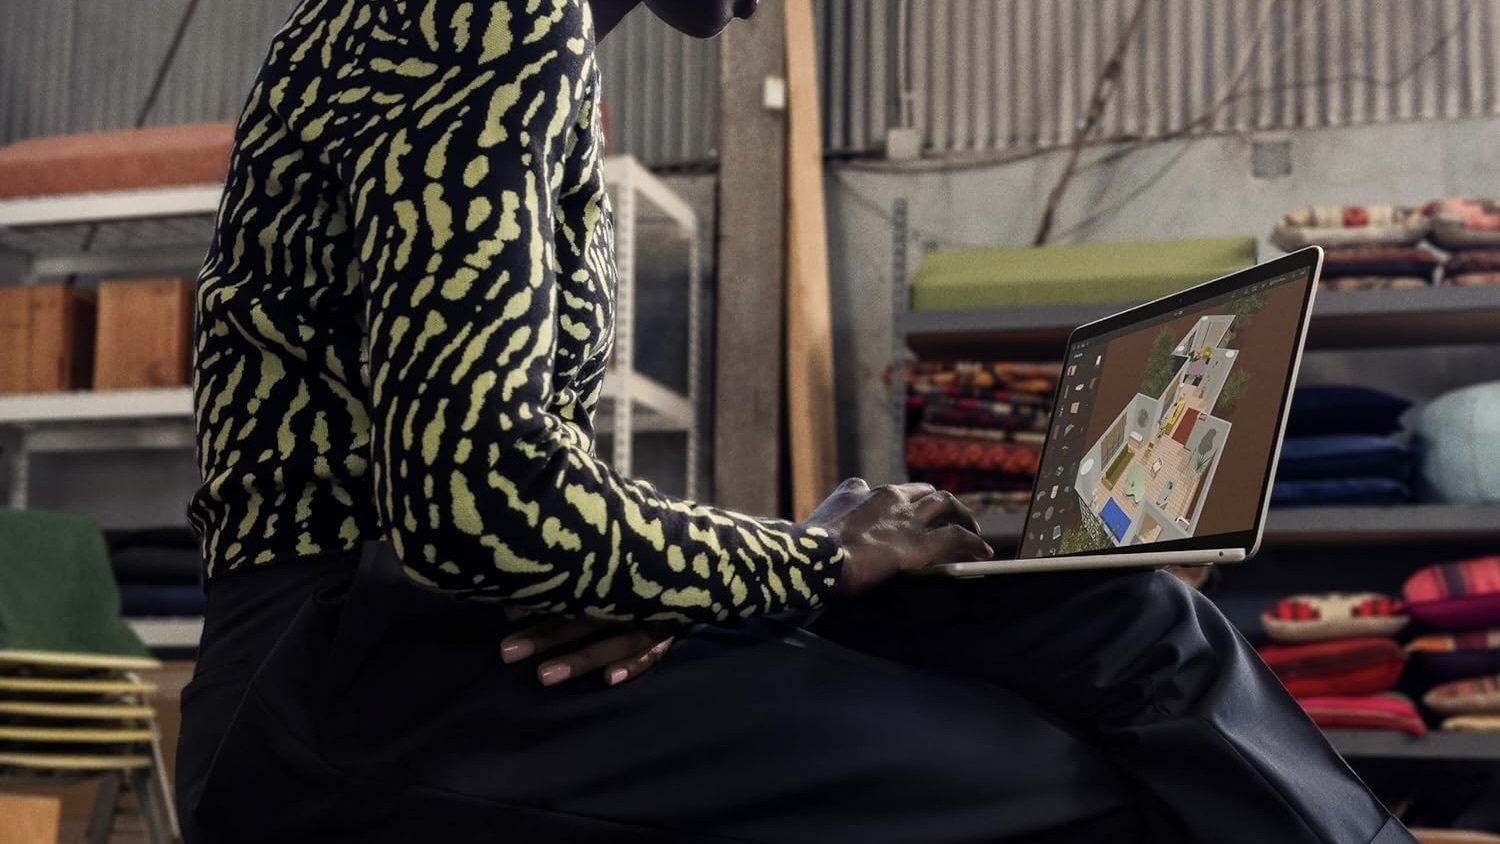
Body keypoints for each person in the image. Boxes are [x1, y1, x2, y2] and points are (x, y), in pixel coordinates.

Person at [176, 1, 1417, 841]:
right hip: (353, 688)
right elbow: (484, 505)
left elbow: (493, 499)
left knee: (1124, 617)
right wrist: (812, 557)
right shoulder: (492, 20)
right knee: (1088, 786)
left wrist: (672, 569)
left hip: (426, 637)